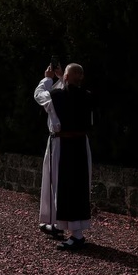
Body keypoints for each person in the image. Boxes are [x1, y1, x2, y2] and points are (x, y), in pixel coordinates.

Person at [34, 61, 94, 250]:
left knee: (62, 186)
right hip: (81, 144)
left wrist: (48, 78)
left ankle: (76, 235)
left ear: (66, 77)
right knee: (79, 186)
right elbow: (71, 93)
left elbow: (39, 95)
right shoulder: (87, 96)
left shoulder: (56, 95)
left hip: (62, 144)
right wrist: (62, 77)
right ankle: (60, 224)